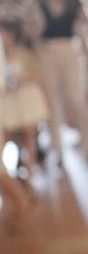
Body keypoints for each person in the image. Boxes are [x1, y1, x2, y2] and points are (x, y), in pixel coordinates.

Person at [34, 0, 88, 168]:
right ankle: (57, 149)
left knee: (76, 99)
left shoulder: (74, 0)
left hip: (70, 50)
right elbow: (35, 31)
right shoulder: (39, 0)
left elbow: (86, 25)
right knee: (52, 101)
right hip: (48, 50)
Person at [0, 18, 50, 178]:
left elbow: (37, 75)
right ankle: (9, 179)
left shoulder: (24, 53)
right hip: (8, 102)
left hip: (27, 100)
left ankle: (29, 175)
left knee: (29, 137)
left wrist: (22, 80)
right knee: (6, 136)